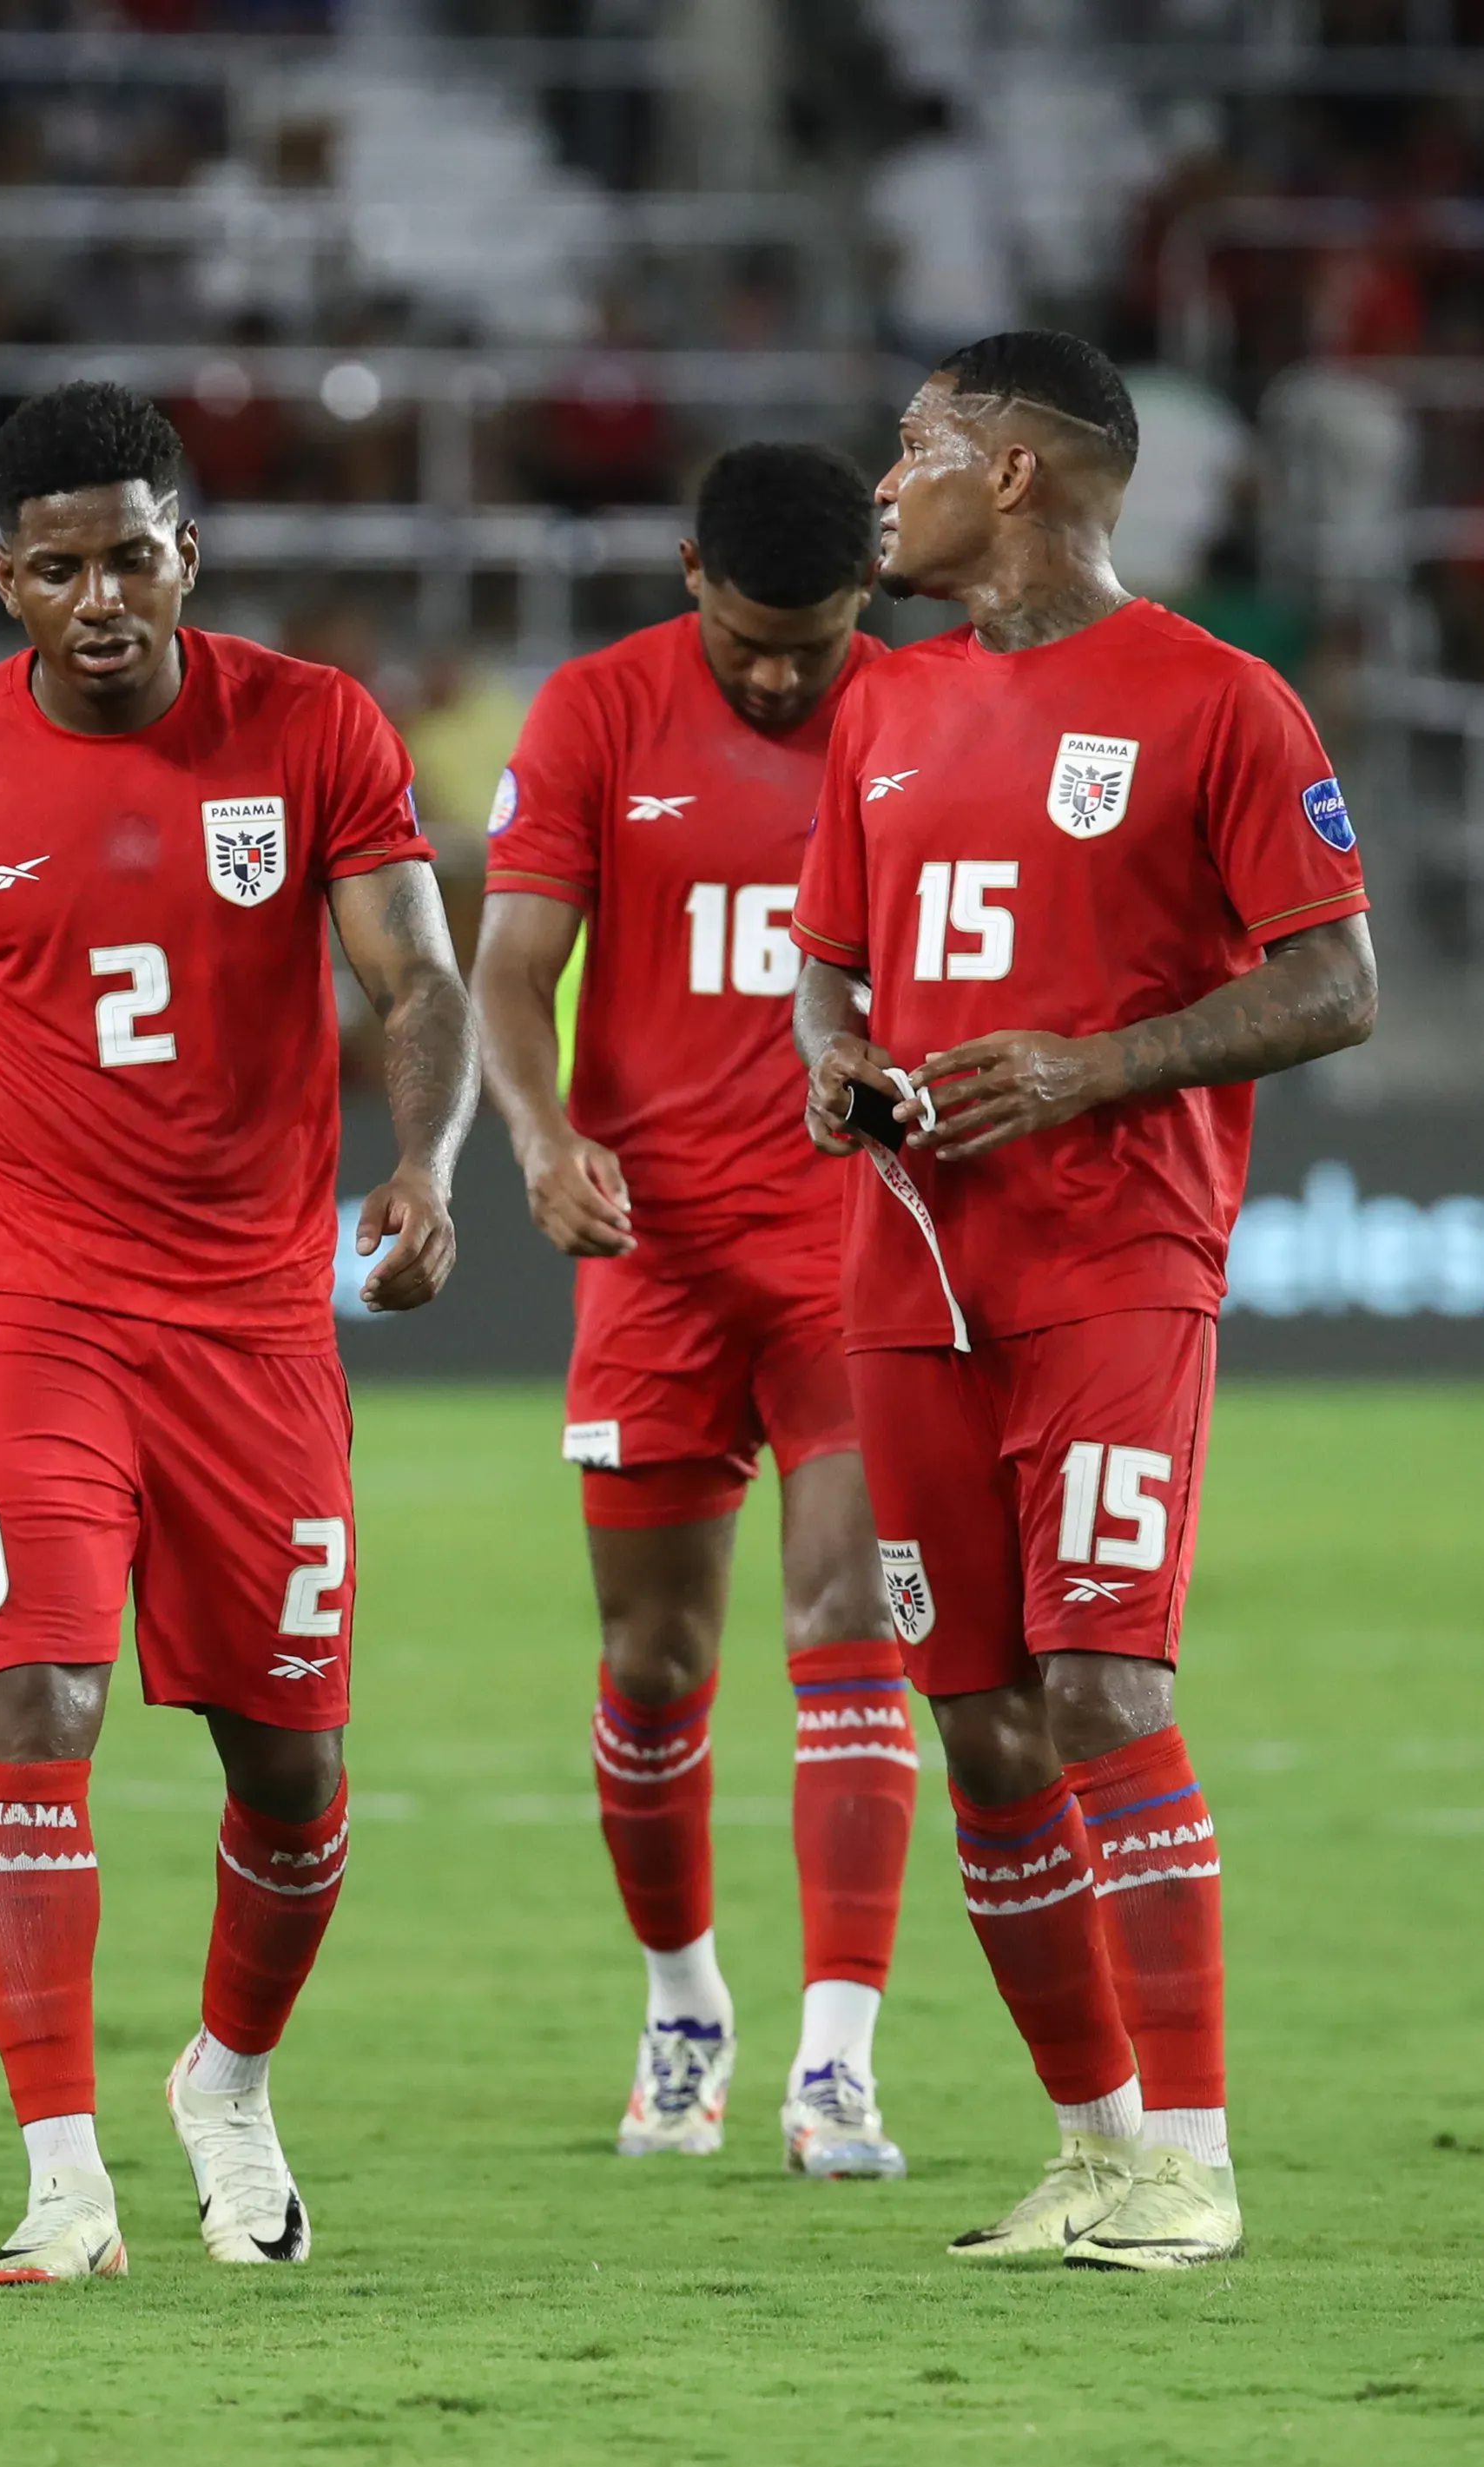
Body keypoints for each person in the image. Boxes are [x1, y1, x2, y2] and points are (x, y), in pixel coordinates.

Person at [0, 382, 472, 2283]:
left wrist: (422, 1164)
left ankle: (228, 2082)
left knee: (290, 1775)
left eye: (129, 557)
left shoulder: (314, 728)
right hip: (29, 1310)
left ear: (188, 552)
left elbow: (416, 976)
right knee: (36, 1711)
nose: (97, 598)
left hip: (256, 1327)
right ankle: (62, 2177)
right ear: (3, 579)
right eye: (57, 568)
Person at [795, 331, 1378, 2271]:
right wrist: (833, 1060)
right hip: (908, 1268)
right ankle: (1094, 2146)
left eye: (916, 444)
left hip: (1116, 1260)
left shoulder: (1217, 700)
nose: (884, 482)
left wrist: (1090, 1068)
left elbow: (1335, 984)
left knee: (1103, 1687)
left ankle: (1193, 2167)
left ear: (1016, 473)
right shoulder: (883, 704)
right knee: (975, 1720)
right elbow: (827, 963)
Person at [470, 443, 926, 2178]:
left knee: (845, 1623)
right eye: (746, 641)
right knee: (651, 1666)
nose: (779, 678)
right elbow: (512, 964)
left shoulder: (926, 715)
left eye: (810, 645)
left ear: (865, 597)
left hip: (852, 1242)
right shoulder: (595, 712)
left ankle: (837, 2064)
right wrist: (540, 1138)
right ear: (687, 577)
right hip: (648, 1253)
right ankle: (683, 2005)